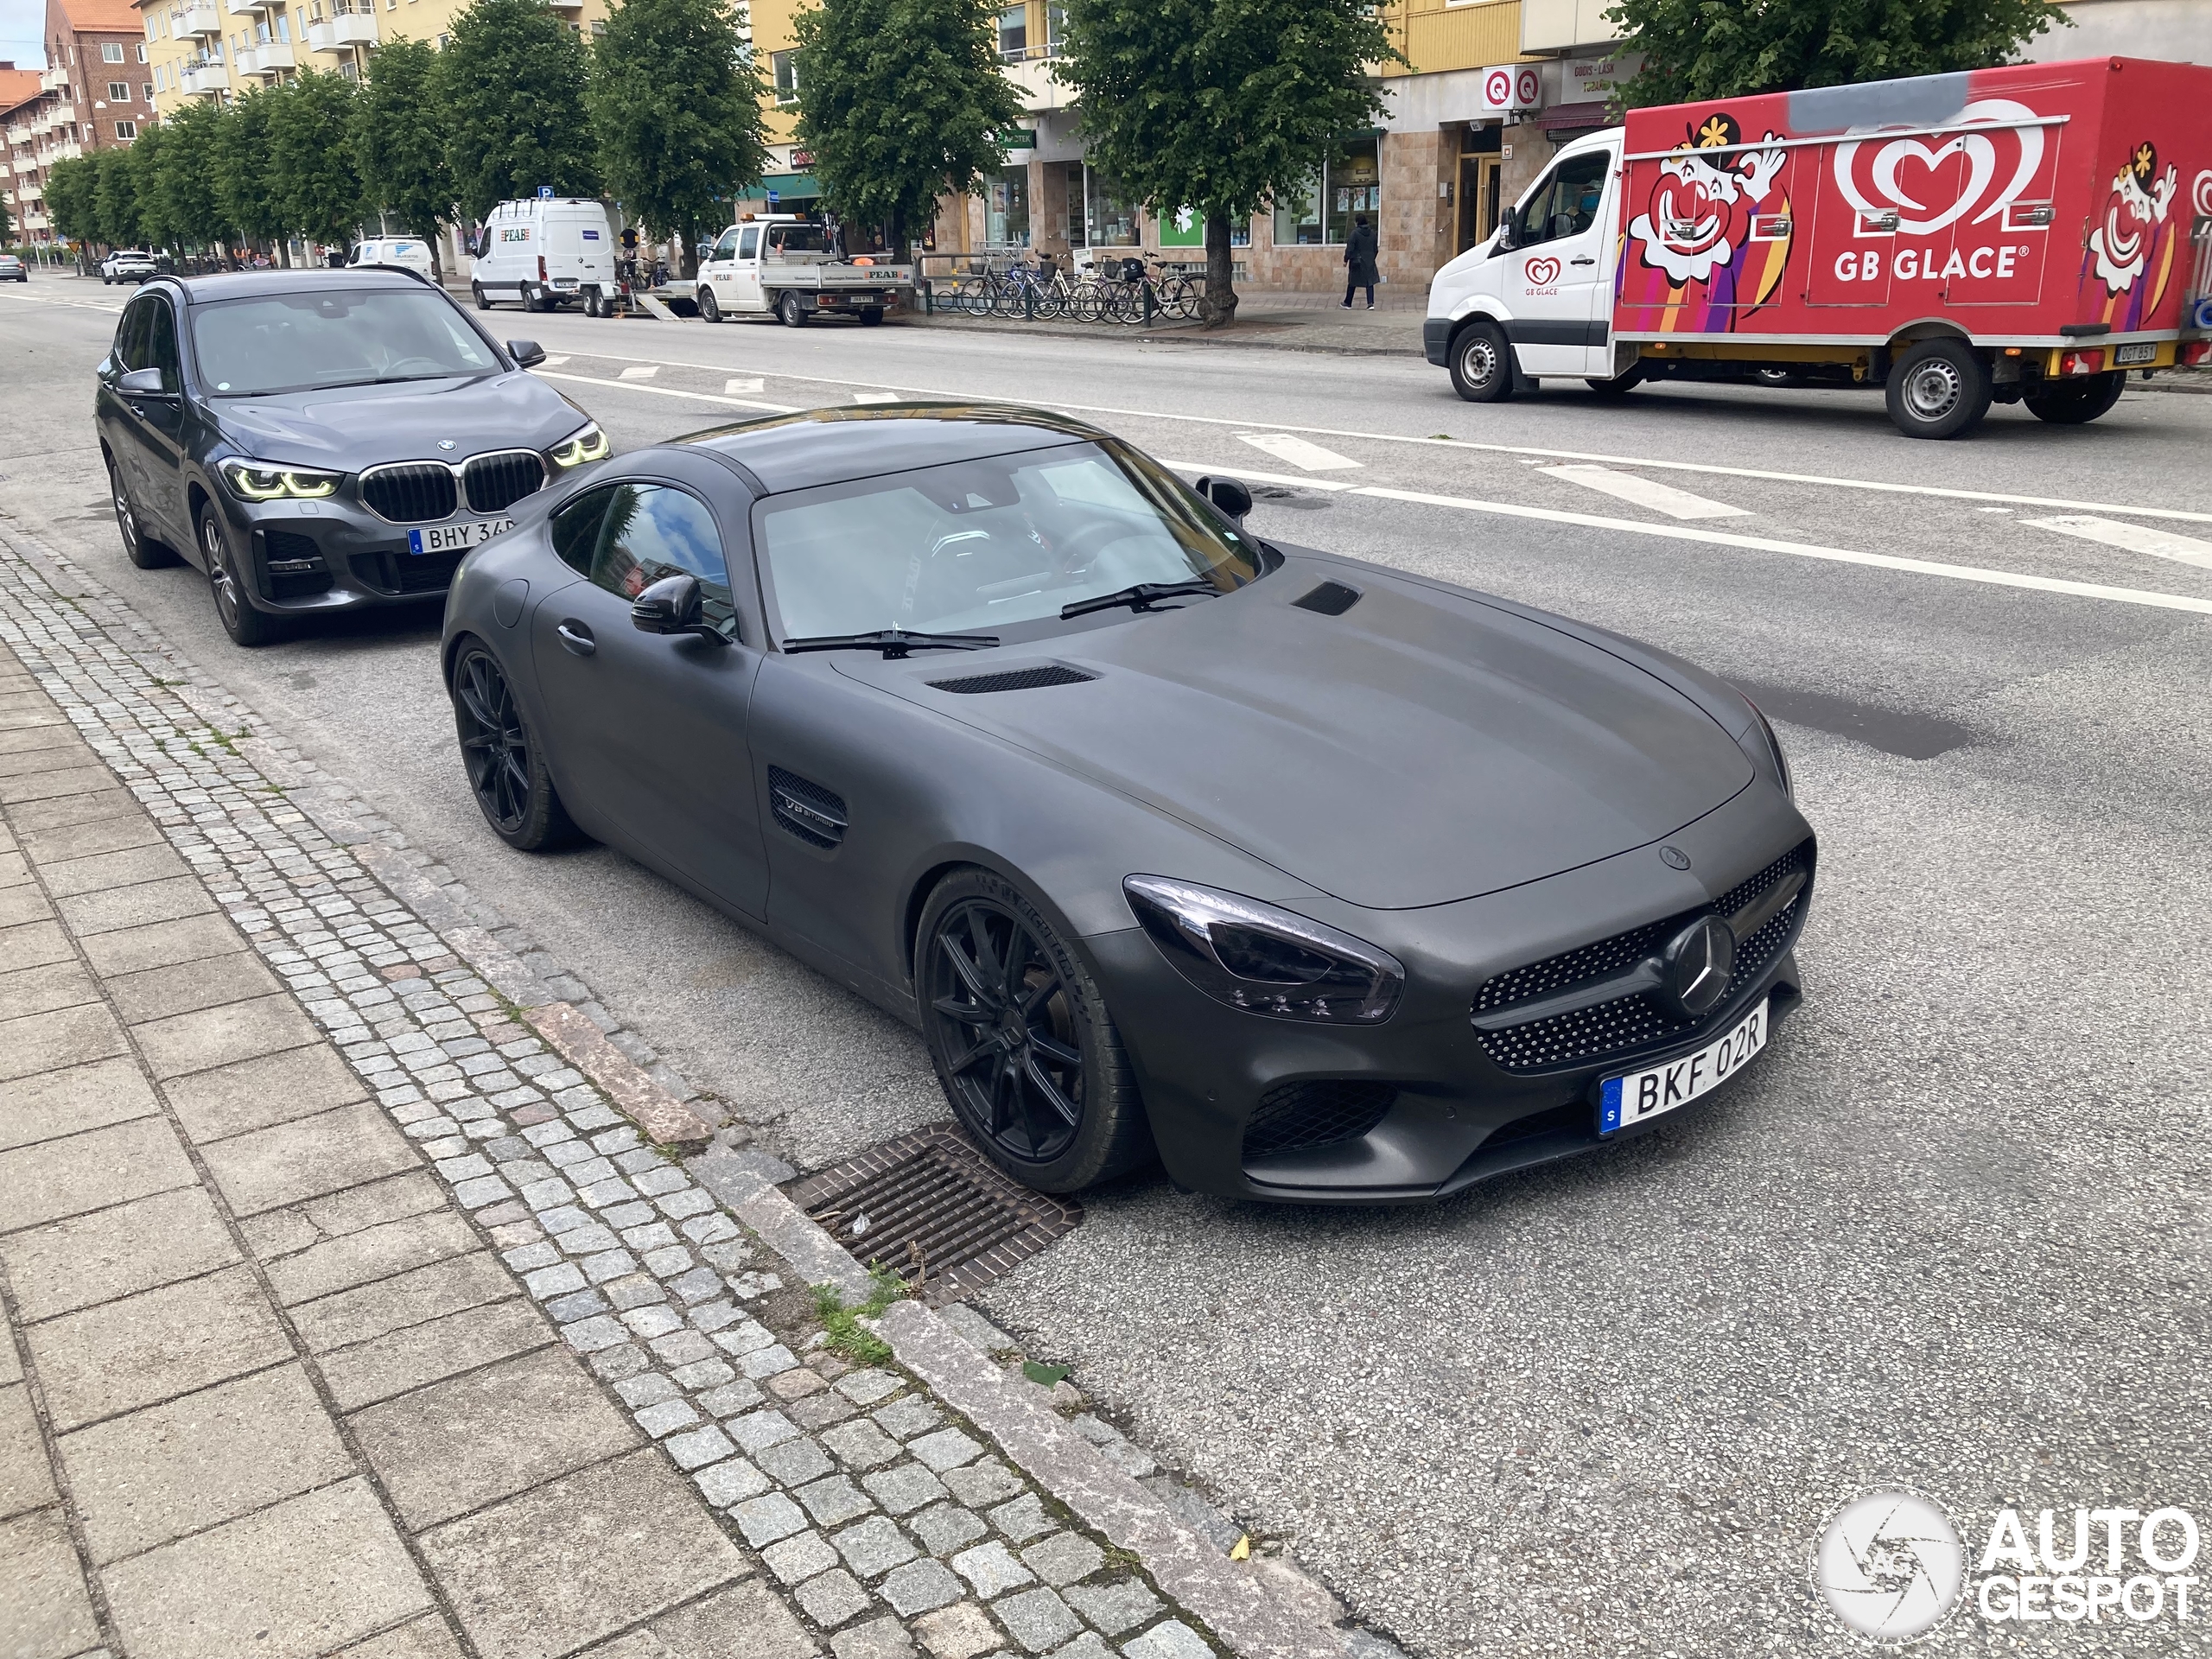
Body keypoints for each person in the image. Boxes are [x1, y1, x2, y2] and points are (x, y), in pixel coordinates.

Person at [1342, 214, 1378, 309]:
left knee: (1353, 281)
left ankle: (1348, 302)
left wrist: (1346, 259)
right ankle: (1370, 303)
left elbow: (1350, 248)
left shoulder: (1355, 233)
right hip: (1369, 261)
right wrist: (1371, 258)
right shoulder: (1372, 233)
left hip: (1357, 261)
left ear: (1357, 222)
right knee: (1369, 282)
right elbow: (1375, 249)